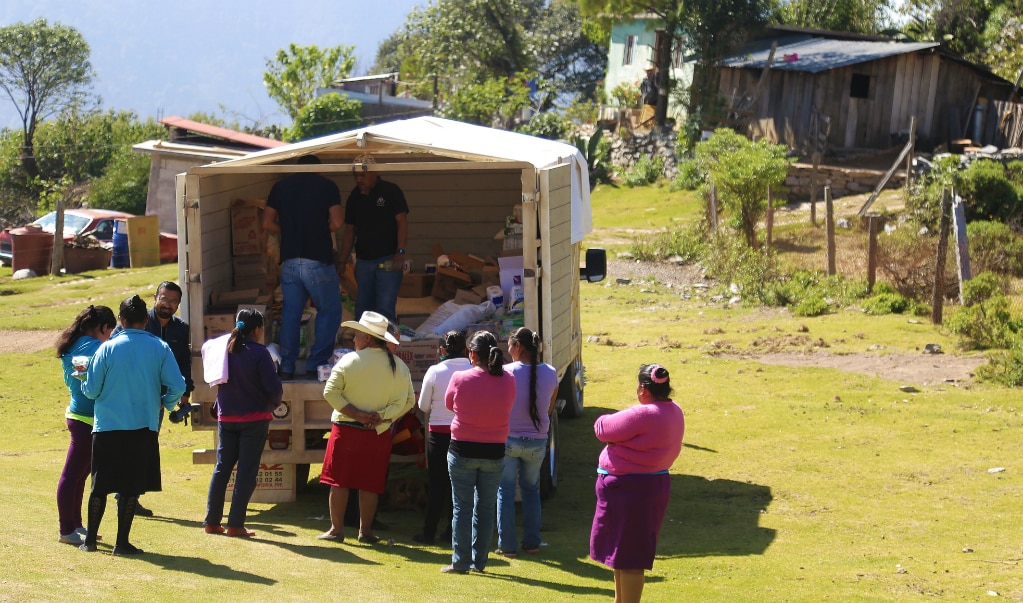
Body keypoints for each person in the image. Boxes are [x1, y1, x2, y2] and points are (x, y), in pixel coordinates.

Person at [79, 295, 187, 555]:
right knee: (130, 487)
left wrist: (83, 379)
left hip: (108, 425)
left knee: (100, 486)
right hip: (142, 426)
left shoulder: (107, 348)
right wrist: (166, 402)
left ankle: (90, 541)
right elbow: (179, 385)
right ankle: (121, 543)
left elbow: (92, 392)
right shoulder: (159, 347)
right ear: (146, 318)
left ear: (121, 320)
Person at [589, 364, 685, 603]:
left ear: (643, 389)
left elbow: (602, 428)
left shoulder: (642, 414)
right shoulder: (674, 411)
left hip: (631, 491)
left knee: (630, 557)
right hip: (644, 488)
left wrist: (616, 442)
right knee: (621, 554)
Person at [318, 311, 415, 544]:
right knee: (370, 484)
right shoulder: (399, 366)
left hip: (346, 429)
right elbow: (408, 401)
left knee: (339, 481)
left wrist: (356, 414)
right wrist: (380, 417)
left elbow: (330, 392)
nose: (354, 340)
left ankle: (336, 529)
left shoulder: (348, 361)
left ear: (368, 338)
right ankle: (366, 531)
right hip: (377, 432)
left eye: (357, 335)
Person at [111, 280, 193, 517]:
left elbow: (183, 362)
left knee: (145, 447)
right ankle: (123, 494)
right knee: (127, 445)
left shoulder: (181, 328)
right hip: (128, 396)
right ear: (155, 297)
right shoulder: (138, 320)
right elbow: (114, 347)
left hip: (156, 399)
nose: (169, 305)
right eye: (164, 299)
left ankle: (129, 497)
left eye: (174, 301)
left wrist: (185, 391)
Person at [262, 154, 344, 380]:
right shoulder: (327, 186)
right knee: (328, 310)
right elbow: (337, 222)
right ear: (318, 170)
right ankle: (315, 363)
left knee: (291, 313)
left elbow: (267, 222)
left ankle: (286, 365)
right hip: (317, 260)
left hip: (289, 260)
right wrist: (318, 230)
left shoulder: (280, 187)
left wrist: (289, 232)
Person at [202, 309, 283, 538]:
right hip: (254, 419)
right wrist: (275, 402)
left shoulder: (224, 349)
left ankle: (212, 521)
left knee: (222, 469)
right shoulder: (259, 353)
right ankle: (236, 525)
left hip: (226, 417)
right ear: (257, 329)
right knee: (246, 472)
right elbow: (273, 389)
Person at [442, 331, 515, 574]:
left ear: (471, 354)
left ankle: (460, 562)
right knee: (485, 507)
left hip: (462, 449)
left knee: (462, 507)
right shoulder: (509, 379)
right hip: (494, 451)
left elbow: (449, 404)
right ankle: (480, 562)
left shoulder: (460, 377)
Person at [55, 305, 117, 546]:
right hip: (84, 419)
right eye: (110, 331)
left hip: (83, 416)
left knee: (80, 476)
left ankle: (76, 525)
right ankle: (66, 529)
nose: (110, 336)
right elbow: (86, 380)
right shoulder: (92, 347)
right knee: (72, 476)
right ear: (103, 328)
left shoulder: (78, 343)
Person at [496, 328, 559, 557]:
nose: (508, 349)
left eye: (510, 345)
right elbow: (549, 408)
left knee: (505, 491)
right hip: (537, 441)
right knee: (531, 490)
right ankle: (532, 542)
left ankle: (507, 546)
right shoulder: (551, 372)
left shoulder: (505, 372)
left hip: (509, 440)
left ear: (518, 346)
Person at [412, 330, 471, 545]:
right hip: (464, 435)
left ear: (443, 350)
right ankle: (452, 532)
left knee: (437, 485)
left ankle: (429, 532)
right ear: (465, 350)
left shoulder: (435, 371)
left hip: (438, 435)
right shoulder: (473, 370)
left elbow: (423, 406)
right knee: (460, 486)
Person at [337, 154, 409, 324]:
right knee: (363, 308)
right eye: (355, 176)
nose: (358, 179)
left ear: (373, 172)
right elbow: (349, 230)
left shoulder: (390, 191)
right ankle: (363, 346)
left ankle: (385, 347)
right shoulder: (354, 197)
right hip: (364, 261)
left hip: (389, 258)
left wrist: (400, 252)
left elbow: (402, 222)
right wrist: (342, 260)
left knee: (385, 308)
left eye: (362, 175)